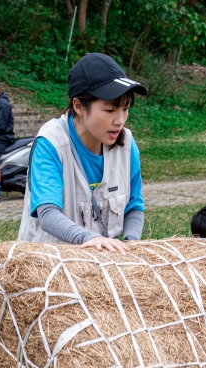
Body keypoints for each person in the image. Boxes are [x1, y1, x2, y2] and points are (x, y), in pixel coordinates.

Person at [17, 53, 147, 252]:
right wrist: (91, 238)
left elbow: (134, 206)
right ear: (79, 106)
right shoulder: (50, 143)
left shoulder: (127, 145)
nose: (120, 120)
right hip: (48, 265)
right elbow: (48, 213)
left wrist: (130, 246)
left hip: (102, 266)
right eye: (110, 110)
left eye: (125, 109)